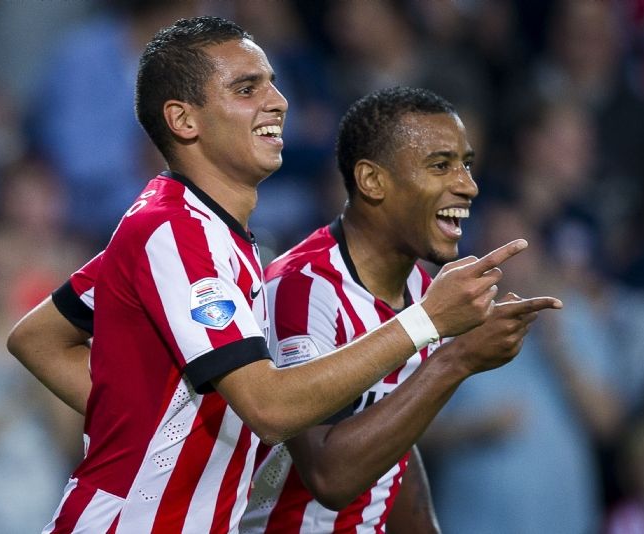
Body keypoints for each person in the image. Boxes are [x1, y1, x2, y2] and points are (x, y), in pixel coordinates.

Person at [7, 17, 531, 532]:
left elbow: (38, 338)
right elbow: (270, 408)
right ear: (184, 120)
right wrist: (427, 322)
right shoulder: (175, 231)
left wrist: (147, 423)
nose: (278, 101)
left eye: (273, 84)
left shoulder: (197, 231)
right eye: (246, 88)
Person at [239, 87, 562, 532]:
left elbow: (394, 443)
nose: (468, 186)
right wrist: (457, 359)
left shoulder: (421, 289)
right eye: (440, 165)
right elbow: (328, 476)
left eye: (466, 165)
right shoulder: (301, 288)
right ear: (372, 181)